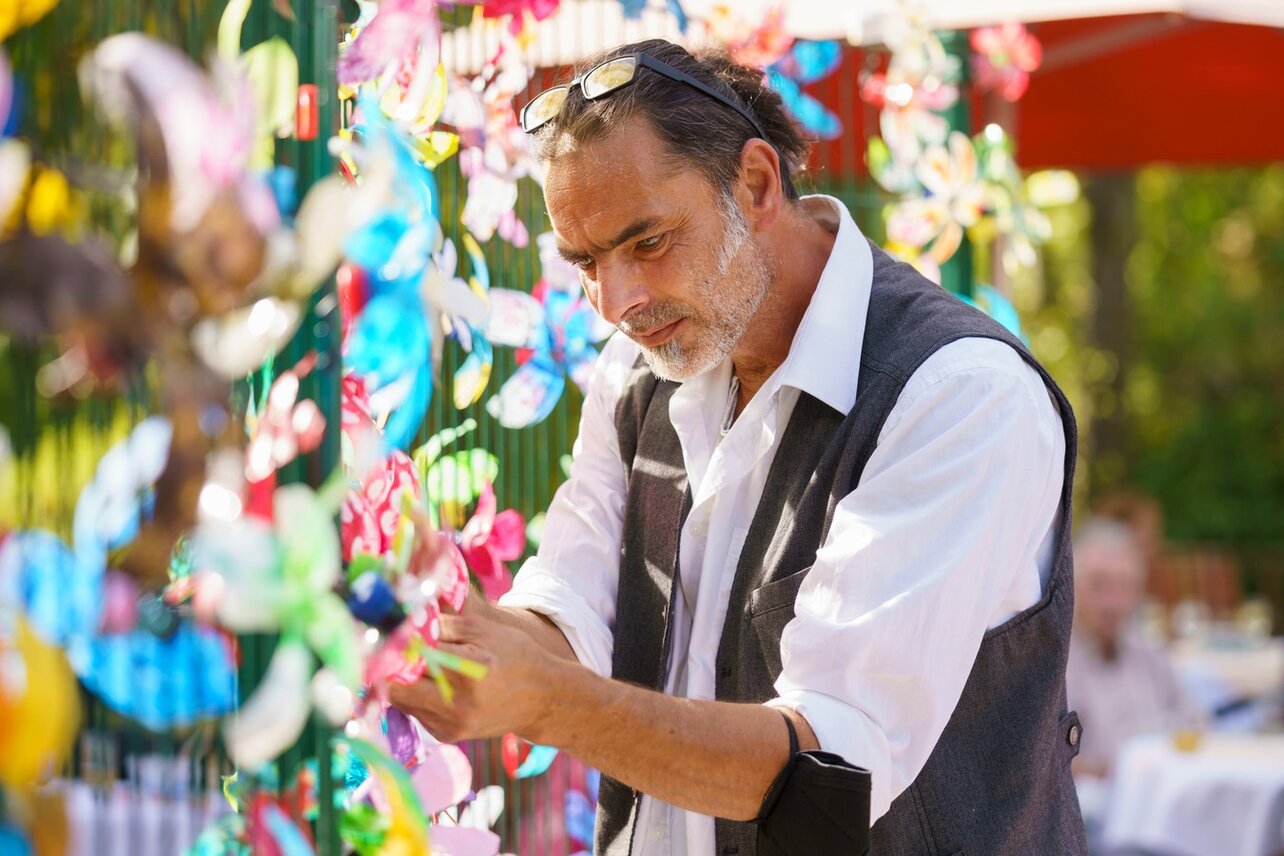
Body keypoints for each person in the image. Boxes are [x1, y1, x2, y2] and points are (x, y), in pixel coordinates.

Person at [390, 39, 1086, 854]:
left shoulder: (960, 395)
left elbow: (829, 762)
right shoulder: (636, 373)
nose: (616, 301)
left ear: (756, 184)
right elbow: (573, 608)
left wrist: (548, 700)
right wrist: (456, 635)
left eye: (647, 243)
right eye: (586, 262)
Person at [1066, 518, 1205, 780]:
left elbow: (1195, 724)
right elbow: (1047, 768)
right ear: (1073, 587)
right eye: (1099, 585)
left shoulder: (1149, 652)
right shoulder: (1055, 665)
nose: (1112, 603)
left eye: (1123, 586)